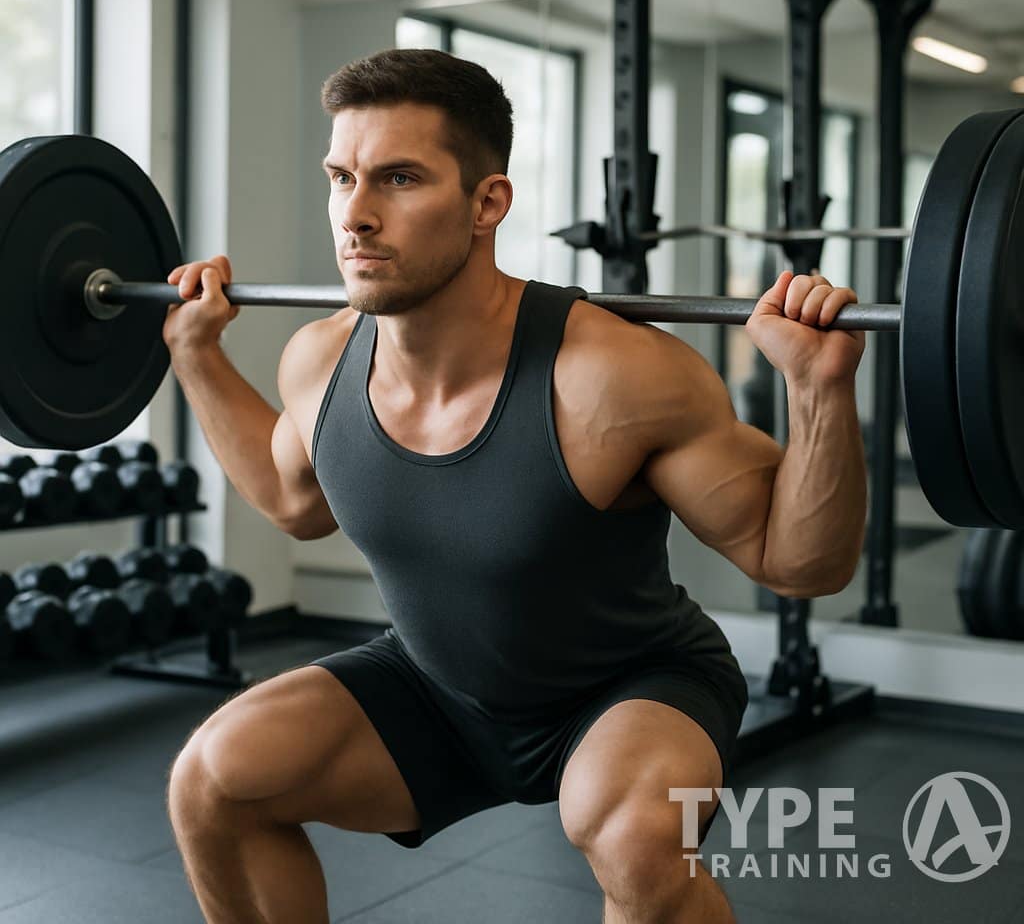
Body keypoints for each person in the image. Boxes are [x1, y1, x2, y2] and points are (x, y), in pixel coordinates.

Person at [163, 48, 867, 924]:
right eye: (341, 176)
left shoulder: (613, 375)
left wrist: (819, 389)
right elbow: (293, 504)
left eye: (400, 179)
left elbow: (799, 564)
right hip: (436, 687)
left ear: (487, 202)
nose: (356, 215)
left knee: (635, 840)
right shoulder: (321, 360)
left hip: (629, 687)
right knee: (214, 782)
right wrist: (195, 355)